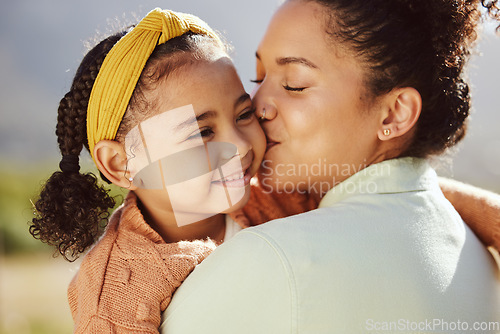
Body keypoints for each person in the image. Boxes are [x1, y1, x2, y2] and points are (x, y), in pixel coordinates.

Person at [160, 0, 500, 332]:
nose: (256, 105)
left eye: (294, 84)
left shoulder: (270, 258)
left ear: (395, 113)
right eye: (259, 77)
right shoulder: (482, 262)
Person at [29, 8, 265, 333]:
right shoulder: (114, 297)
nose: (241, 146)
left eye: (244, 114)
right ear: (120, 163)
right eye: (203, 133)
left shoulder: (280, 194)